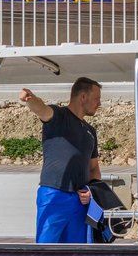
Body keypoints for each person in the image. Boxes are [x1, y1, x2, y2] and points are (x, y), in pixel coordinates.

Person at [20, 78, 102, 244]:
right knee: (46, 250)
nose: (99, 103)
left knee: (77, 255)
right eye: (96, 99)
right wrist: (30, 99)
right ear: (83, 97)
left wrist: (90, 190)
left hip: (80, 201)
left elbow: (94, 169)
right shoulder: (59, 116)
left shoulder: (90, 131)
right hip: (54, 195)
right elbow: (42, 110)